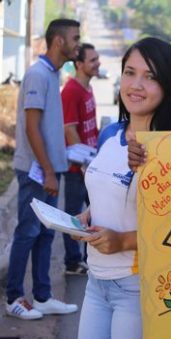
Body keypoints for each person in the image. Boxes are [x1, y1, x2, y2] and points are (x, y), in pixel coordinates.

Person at [76, 37, 171, 339]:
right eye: (129, 72)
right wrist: (88, 212)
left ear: (168, 86)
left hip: (137, 289)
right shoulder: (110, 132)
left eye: (150, 76)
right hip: (95, 281)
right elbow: (107, 184)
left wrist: (123, 240)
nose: (136, 85)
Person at [6, 18, 81, 320]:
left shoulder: (53, 74)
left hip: (50, 169)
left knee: (46, 234)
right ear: (59, 41)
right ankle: (13, 298)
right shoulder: (38, 74)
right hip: (36, 171)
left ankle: (42, 296)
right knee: (28, 232)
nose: (78, 43)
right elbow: (32, 127)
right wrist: (48, 170)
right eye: (75, 38)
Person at [61, 43, 100, 275]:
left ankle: (88, 257)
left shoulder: (88, 89)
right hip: (77, 168)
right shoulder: (72, 90)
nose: (98, 63)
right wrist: (85, 162)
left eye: (97, 59)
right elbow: (70, 130)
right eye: (92, 60)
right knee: (73, 215)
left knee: (95, 211)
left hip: (90, 165)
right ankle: (72, 262)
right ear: (79, 64)